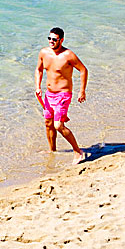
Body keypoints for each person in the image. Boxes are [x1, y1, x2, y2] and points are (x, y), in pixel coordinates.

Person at [35, 27, 88, 164]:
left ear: (61, 40)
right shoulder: (44, 53)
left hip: (63, 95)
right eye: (49, 38)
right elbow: (39, 70)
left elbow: (83, 70)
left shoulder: (68, 55)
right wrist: (37, 86)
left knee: (58, 125)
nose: (51, 41)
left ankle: (78, 151)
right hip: (48, 95)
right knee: (48, 123)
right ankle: (52, 150)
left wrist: (82, 90)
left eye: (54, 39)